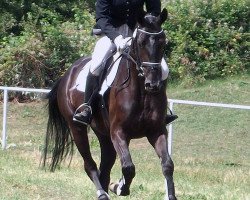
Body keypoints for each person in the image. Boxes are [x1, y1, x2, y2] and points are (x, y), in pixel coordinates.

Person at [73, 0, 178, 125]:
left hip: (139, 32)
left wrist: (148, 23)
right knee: (97, 64)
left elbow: (154, 9)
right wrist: (116, 37)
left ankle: (161, 109)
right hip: (111, 33)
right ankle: (87, 107)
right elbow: (101, 17)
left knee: (164, 70)